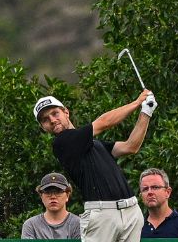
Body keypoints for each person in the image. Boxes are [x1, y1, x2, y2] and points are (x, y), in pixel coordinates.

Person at [34, 90, 153, 242]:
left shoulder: (94, 144)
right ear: (44, 127)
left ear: (66, 112)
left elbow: (130, 147)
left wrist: (146, 112)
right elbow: (103, 123)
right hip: (102, 214)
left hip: (131, 211)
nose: (52, 120)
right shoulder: (62, 143)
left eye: (55, 113)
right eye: (45, 119)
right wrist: (137, 102)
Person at [136, 169, 178, 238]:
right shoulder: (137, 228)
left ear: (168, 192)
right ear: (141, 196)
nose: (150, 192)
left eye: (155, 187)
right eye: (145, 189)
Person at [20, 172, 81, 240]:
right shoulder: (31, 225)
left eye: (58, 191)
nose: (53, 196)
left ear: (67, 195)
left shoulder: (79, 224)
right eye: (47, 192)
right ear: (41, 196)